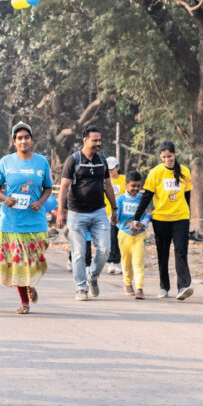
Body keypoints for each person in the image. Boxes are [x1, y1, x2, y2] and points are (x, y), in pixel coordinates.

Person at [0, 122, 53, 314]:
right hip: (12, 222)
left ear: (31, 140)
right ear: (14, 141)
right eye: (19, 138)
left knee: (35, 261)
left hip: (36, 221)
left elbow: (48, 187)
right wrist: (5, 198)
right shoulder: (6, 162)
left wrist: (40, 202)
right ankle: (24, 301)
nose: (23, 141)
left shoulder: (41, 162)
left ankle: (30, 283)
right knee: (18, 263)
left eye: (26, 137)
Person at [57, 126, 118, 301]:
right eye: (95, 140)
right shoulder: (73, 160)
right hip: (77, 213)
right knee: (79, 253)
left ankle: (92, 276)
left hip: (99, 212)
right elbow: (64, 187)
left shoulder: (102, 160)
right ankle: (81, 288)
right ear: (85, 140)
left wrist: (114, 208)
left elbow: (108, 185)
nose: (98, 143)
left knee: (105, 249)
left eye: (100, 140)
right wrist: (61, 211)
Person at [130, 141, 193, 300]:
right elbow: (146, 197)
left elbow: (187, 197)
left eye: (169, 156)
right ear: (160, 157)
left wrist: (188, 215)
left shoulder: (185, 172)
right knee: (162, 253)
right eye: (164, 157)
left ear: (175, 153)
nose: (167, 160)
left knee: (181, 251)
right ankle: (164, 287)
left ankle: (183, 286)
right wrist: (136, 218)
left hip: (180, 218)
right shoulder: (155, 173)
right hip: (161, 219)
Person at [114, 171, 151, 299]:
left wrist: (141, 225)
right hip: (124, 234)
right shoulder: (120, 200)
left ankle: (139, 287)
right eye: (133, 186)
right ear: (126, 185)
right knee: (126, 261)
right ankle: (128, 283)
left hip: (140, 235)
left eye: (138, 186)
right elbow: (115, 217)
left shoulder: (143, 199)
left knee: (138, 261)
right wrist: (113, 218)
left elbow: (147, 214)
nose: (135, 189)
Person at [103, 156, 125, 275]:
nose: (110, 171)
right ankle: (111, 262)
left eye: (112, 169)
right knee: (112, 239)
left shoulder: (124, 180)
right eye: (108, 169)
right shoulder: (104, 180)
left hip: (123, 215)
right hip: (108, 215)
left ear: (118, 167)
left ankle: (118, 262)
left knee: (121, 239)